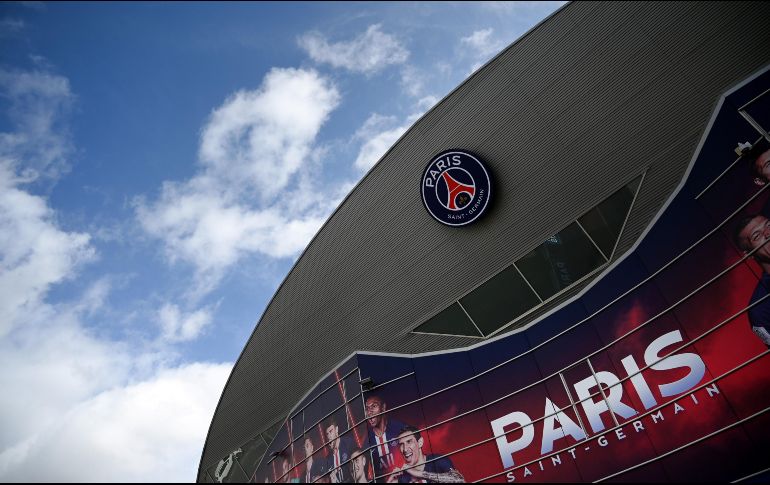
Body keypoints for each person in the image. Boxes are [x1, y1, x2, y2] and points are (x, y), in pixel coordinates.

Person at [734, 213, 770, 346]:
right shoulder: (761, 310)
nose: (768, 233)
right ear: (749, 254)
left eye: (769, 225)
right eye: (757, 236)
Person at [386, 426, 464, 484]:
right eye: (401, 444)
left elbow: (459, 480)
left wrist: (420, 473)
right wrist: (389, 482)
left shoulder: (438, 461)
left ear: (420, 443)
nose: (405, 449)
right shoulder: (402, 478)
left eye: (409, 442)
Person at [365, 394, 407, 475]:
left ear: (383, 408)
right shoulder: (367, 442)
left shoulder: (399, 428)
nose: (369, 411)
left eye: (374, 406)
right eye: (367, 409)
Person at [323, 416, 354, 483]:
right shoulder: (328, 459)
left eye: (331, 431)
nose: (329, 436)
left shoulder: (348, 443)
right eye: (327, 434)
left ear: (336, 429)